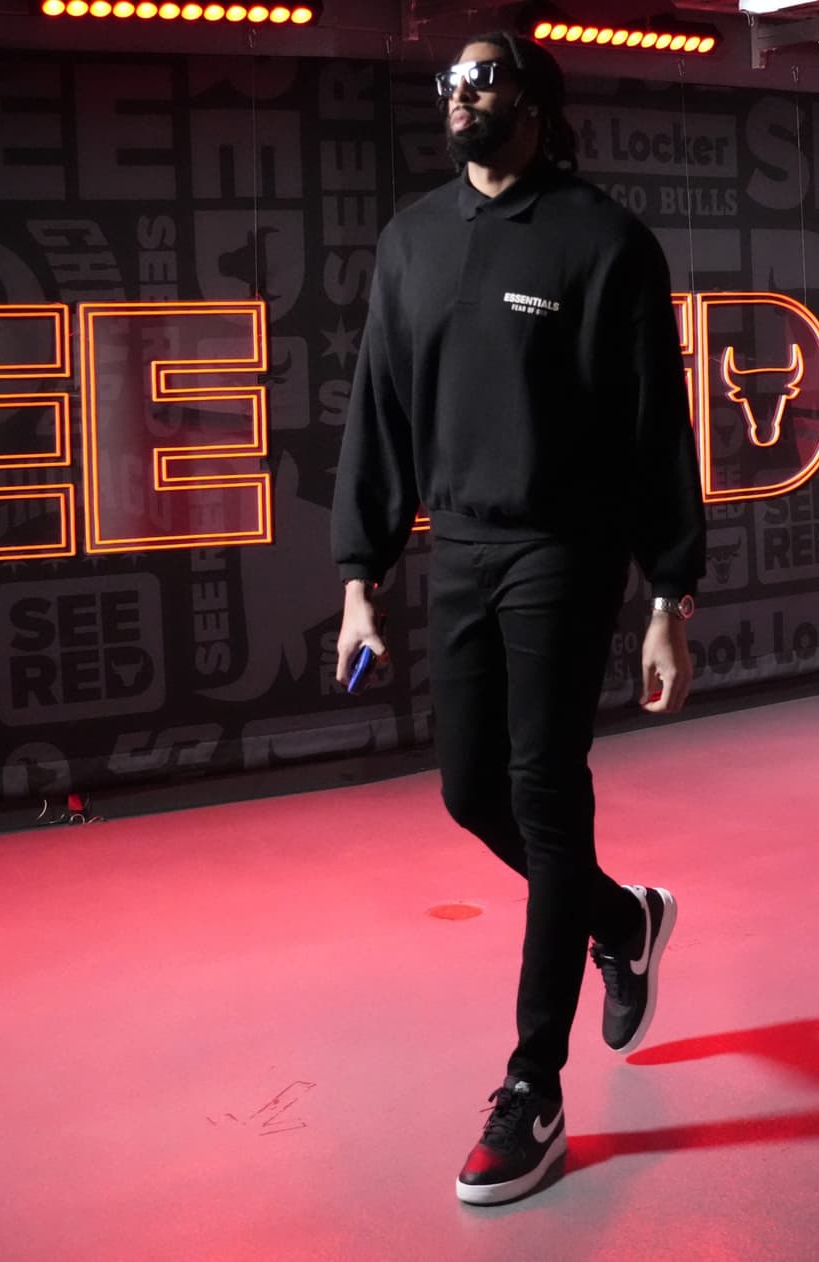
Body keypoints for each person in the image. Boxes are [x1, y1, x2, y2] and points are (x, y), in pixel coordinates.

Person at [329, 31, 705, 1205]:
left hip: (565, 548)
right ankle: (620, 916)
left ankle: (531, 1088)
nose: (463, 94)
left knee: (546, 791)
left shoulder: (604, 242)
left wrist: (671, 594)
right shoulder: (412, 240)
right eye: (451, 81)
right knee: (469, 791)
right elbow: (380, 410)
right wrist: (359, 576)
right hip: (462, 547)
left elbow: (656, 429)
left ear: (536, 101)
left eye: (485, 76)